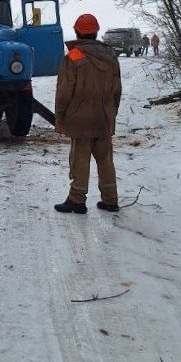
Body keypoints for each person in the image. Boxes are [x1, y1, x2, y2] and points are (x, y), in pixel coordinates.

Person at [54, 13, 121, 214]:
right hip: (104, 116)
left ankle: (77, 200)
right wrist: (112, 112)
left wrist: (61, 114)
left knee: (80, 159)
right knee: (105, 159)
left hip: (80, 117)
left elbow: (64, 91)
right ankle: (110, 200)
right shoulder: (110, 56)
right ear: (96, 31)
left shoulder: (74, 57)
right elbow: (116, 90)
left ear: (77, 32)